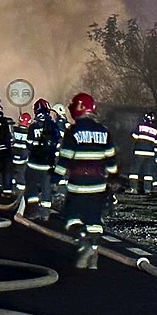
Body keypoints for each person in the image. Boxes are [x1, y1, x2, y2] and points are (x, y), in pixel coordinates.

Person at [55, 92, 119, 269]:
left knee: (71, 217)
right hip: (98, 186)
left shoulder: (73, 131)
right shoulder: (104, 132)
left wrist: (55, 178)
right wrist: (113, 178)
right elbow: (111, 159)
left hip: (78, 185)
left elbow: (65, 159)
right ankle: (93, 256)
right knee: (94, 220)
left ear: (77, 108)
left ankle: (84, 241)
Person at [24, 99, 61, 220]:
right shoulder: (54, 127)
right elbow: (58, 145)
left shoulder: (33, 127)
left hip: (34, 164)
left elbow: (29, 145)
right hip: (48, 165)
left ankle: (32, 211)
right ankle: (45, 213)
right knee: (46, 188)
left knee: (31, 187)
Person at [128, 111, 157, 194]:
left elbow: (134, 136)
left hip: (139, 152)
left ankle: (133, 188)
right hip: (150, 154)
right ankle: (147, 189)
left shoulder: (140, 126)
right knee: (148, 173)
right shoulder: (155, 129)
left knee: (134, 171)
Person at [11, 112, 32, 195]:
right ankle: (20, 191)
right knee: (21, 175)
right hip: (23, 159)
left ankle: (11, 187)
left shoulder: (13, 129)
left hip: (12, 157)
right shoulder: (29, 132)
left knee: (11, 173)